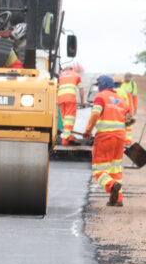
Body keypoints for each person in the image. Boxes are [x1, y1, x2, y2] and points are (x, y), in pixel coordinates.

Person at [84, 75, 132, 207]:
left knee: (98, 170)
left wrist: (88, 130)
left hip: (105, 137)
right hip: (120, 138)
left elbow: (95, 114)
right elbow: (129, 118)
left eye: (99, 84)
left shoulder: (101, 96)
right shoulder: (121, 100)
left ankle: (111, 186)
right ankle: (118, 199)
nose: (98, 86)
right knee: (115, 169)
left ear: (104, 84)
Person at [58, 63, 85, 145]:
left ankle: (70, 135)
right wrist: (82, 102)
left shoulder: (60, 75)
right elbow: (81, 89)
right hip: (70, 99)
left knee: (65, 119)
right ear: (72, 69)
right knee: (70, 119)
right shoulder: (76, 75)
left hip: (61, 99)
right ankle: (66, 139)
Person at [117, 72, 138, 145]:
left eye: (129, 79)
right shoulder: (120, 83)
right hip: (120, 108)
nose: (127, 80)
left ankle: (128, 142)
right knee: (120, 123)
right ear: (124, 77)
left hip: (129, 108)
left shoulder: (132, 84)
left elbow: (134, 96)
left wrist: (135, 107)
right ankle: (120, 140)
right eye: (126, 79)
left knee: (129, 125)